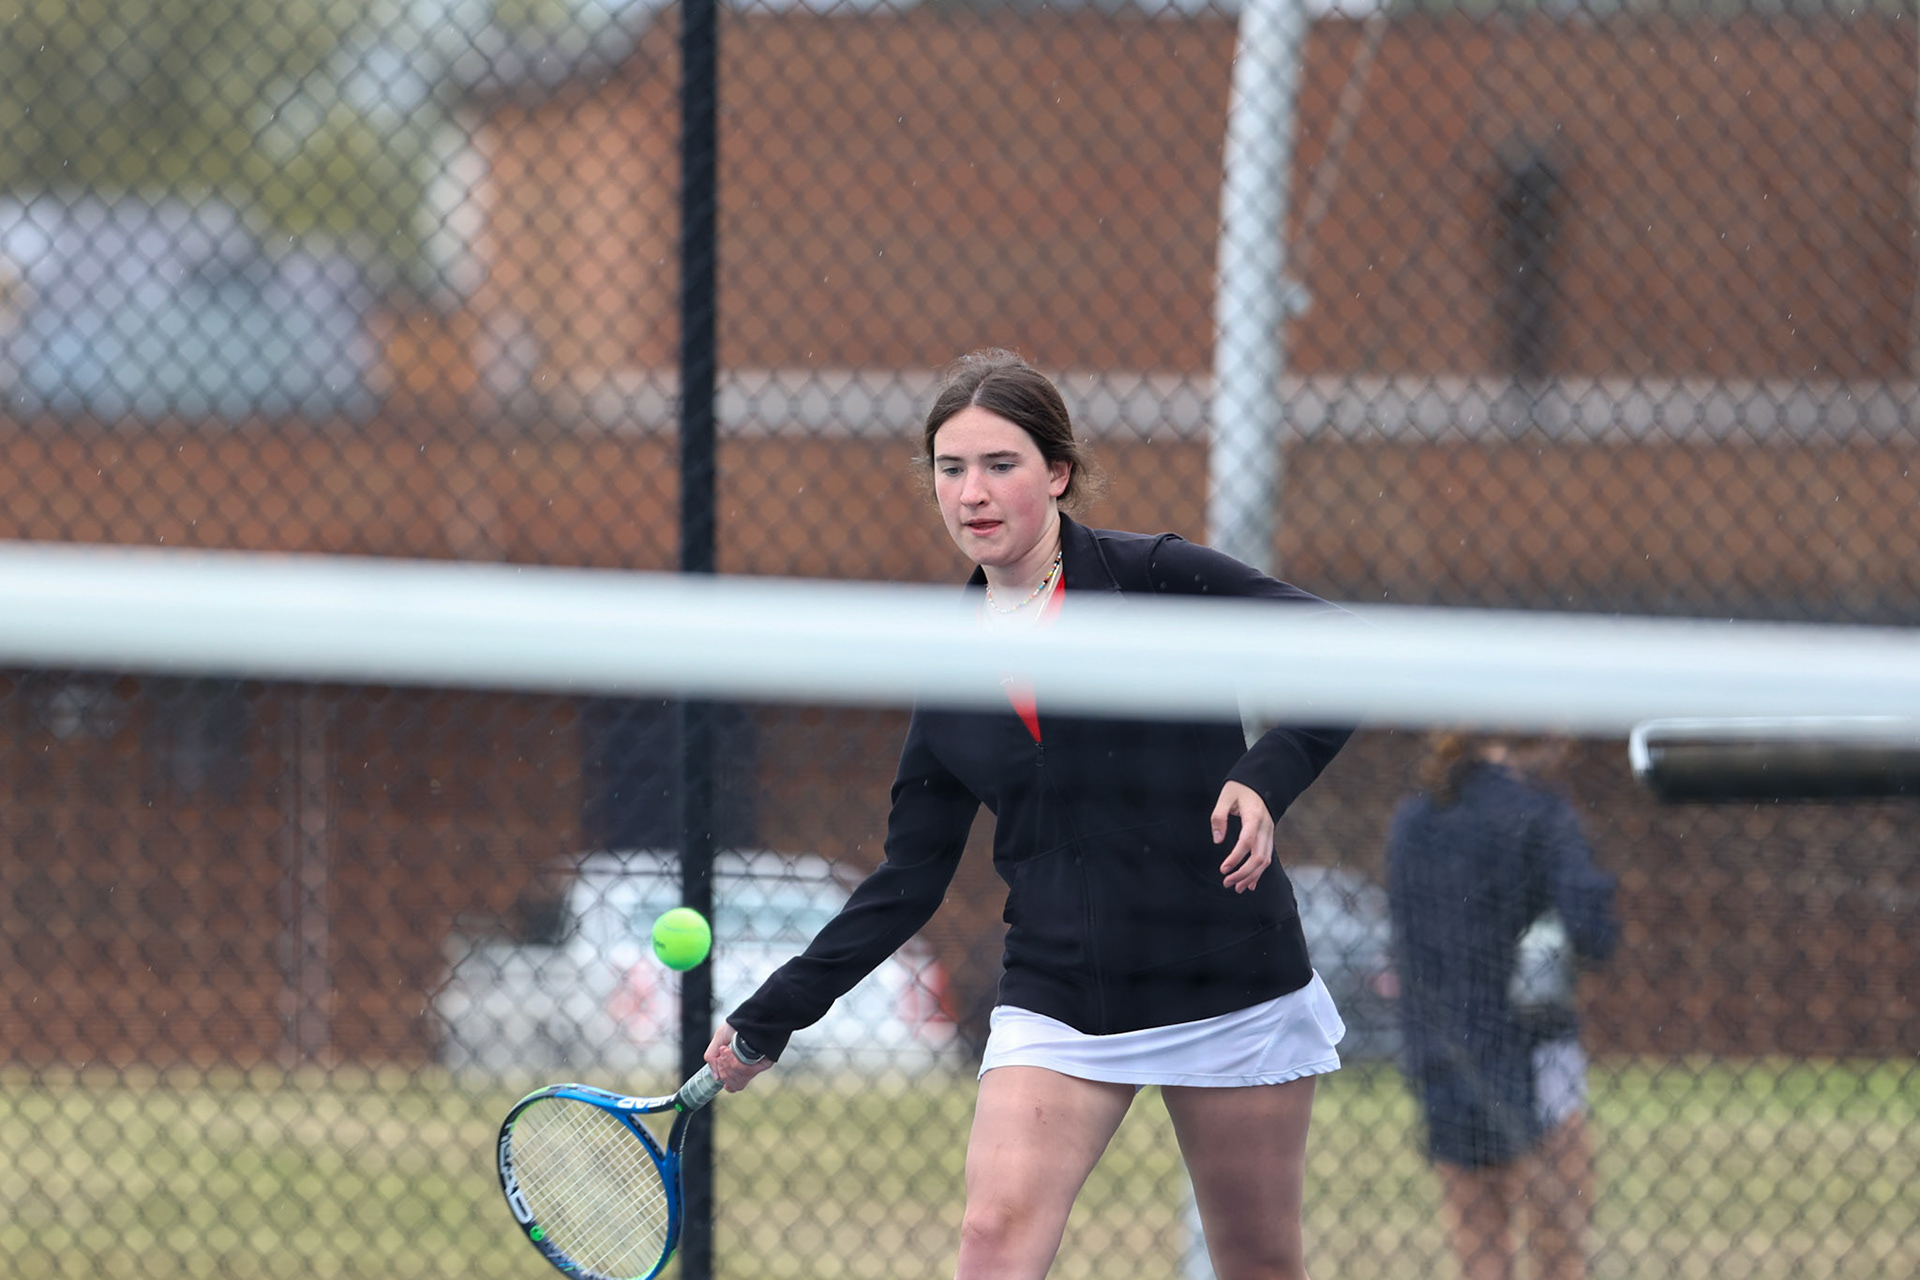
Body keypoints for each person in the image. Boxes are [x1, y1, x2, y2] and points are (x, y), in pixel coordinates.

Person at [704, 348, 1353, 1280]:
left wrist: (1266, 774)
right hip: (1060, 992)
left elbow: (1349, 648)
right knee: (992, 1243)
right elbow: (906, 879)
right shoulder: (951, 670)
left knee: (1257, 1263)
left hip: (1226, 976)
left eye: (999, 465)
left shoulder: (1154, 576)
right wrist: (774, 1013)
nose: (972, 492)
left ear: (1056, 472)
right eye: (950, 468)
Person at [1385, 733, 1619, 1280]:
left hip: (1441, 1048)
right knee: (1559, 1239)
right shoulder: (1540, 813)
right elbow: (1592, 929)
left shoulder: (1415, 820)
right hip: (1532, 1049)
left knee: (1478, 1241)